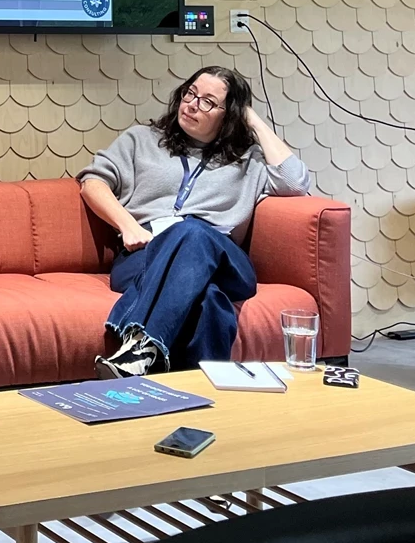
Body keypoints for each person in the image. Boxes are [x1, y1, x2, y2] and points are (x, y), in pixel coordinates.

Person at [78, 66, 311, 378]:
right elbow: (92, 182)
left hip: (221, 257)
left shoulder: (249, 160)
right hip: (146, 252)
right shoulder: (142, 140)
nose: (191, 105)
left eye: (207, 102)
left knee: (192, 231)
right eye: (190, 93)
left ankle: (140, 344)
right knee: (210, 300)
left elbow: (295, 183)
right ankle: (200, 386)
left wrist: (252, 120)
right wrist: (127, 224)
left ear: (230, 115)